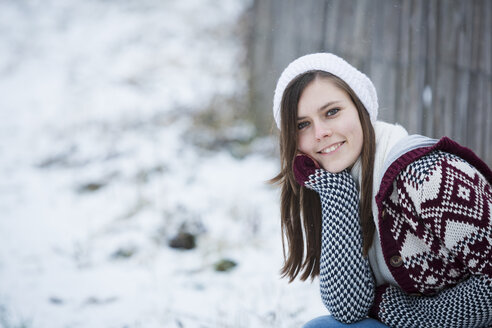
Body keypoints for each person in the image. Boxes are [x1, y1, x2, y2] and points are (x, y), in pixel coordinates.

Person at [270, 53, 492, 328]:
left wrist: (398, 311)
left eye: (332, 112)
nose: (320, 133)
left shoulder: (429, 178)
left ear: (360, 108)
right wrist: (337, 194)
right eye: (303, 124)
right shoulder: (348, 181)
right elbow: (349, 309)